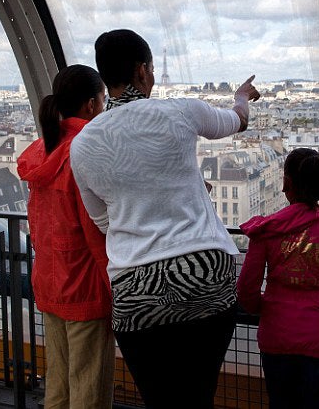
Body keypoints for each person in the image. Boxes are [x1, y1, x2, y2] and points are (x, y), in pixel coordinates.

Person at [69, 29, 261, 409]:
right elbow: (237, 121)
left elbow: (102, 221)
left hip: (136, 289)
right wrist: (241, 96)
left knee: (161, 399)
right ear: (142, 71)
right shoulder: (181, 111)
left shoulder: (83, 145)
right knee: (199, 393)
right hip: (206, 272)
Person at [16, 64, 114, 409]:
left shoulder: (44, 151)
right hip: (84, 285)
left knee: (58, 379)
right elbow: (94, 231)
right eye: (103, 100)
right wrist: (112, 281)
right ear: (90, 105)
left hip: (49, 279)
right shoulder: (84, 152)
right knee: (89, 384)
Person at [236, 148, 319, 409]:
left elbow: (247, 289)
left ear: (286, 184)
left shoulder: (267, 230)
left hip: (277, 335)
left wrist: (266, 308)